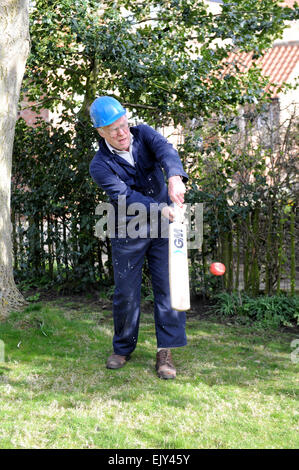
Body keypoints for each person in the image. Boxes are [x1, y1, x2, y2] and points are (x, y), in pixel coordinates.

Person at [89, 96, 188, 379]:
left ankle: (165, 351)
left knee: (167, 288)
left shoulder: (143, 133)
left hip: (164, 227)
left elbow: (166, 150)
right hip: (127, 229)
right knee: (126, 293)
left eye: (123, 125)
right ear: (101, 132)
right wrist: (162, 210)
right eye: (113, 129)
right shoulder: (100, 165)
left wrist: (174, 176)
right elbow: (124, 197)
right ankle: (122, 348)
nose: (122, 133)